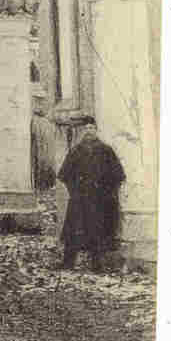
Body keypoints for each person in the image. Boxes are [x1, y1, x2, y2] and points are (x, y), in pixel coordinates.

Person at [57, 115, 125, 271]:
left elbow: (117, 176)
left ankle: (97, 264)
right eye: (86, 128)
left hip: (99, 199)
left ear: (96, 130)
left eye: (92, 128)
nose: (89, 131)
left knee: (97, 231)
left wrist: (108, 193)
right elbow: (64, 175)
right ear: (83, 131)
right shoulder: (76, 151)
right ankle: (68, 262)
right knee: (74, 231)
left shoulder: (106, 151)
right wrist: (74, 191)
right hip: (79, 198)